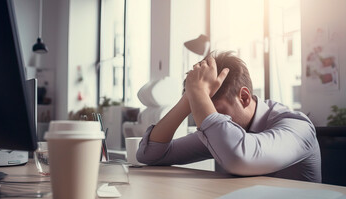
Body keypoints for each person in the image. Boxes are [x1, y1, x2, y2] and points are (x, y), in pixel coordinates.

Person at [136, 51, 321, 182]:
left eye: (216, 111)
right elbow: (150, 155)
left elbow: (239, 158)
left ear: (244, 97)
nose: (210, 117)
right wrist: (189, 99)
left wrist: (199, 95)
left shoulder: (298, 127)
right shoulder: (224, 132)